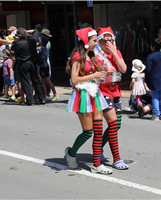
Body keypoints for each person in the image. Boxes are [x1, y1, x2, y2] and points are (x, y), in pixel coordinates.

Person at [65, 27, 112, 174]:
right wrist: (94, 76)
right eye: (93, 40)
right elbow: (74, 79)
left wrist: (105, 72)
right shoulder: (77, 57)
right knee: (87, 132)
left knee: (98, 130)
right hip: (82, 95)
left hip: (95, 94)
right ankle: (71, 153)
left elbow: (99, 75)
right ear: (86, 41)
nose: (95, 43)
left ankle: (96, 165)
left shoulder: (92, 57)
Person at [94, 27, 129, 170]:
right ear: (99, 42)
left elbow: (124, 69)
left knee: (117, 125)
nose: (107, 43)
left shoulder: (116, 52)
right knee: (113, 124)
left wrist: (114, 52)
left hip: (116, 91)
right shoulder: (96, 55)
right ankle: (116, 159)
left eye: (110, 40)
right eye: (104, 41)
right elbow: (95, 78)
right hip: (103, 92)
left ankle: (98, 147)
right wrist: (104, 72)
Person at [11, 27, 45, 106]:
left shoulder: (18, 43)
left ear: (19, 36)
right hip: (32, 61)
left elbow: (13, 48)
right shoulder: (32, 40)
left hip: (23, 62)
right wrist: (26, 31)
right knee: (36, 80)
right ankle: (42, 98)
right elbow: (36, 30)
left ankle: (30, 100)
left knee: (26, 81)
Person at [145, 38, 161, 121]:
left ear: (153, 47)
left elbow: (148, 70)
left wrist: (147, 80)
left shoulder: (150, 57)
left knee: (155, 97)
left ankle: (156, 114)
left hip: (154, 79)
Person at [36, 36, 59, 101]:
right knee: (43, 81)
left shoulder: (41, 48)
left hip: (44, 67)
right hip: (42, 66)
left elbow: (36, 50)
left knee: (48, 81)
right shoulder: (44, 48)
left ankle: (55, 94)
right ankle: (44, 95)